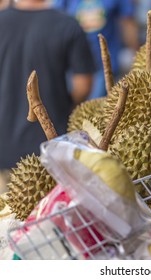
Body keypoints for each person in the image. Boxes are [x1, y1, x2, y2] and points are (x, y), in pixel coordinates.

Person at [0, 0, 95, 193]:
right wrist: (62, 102)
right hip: (50, 147)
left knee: (6, 218)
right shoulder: (68, 24)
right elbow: (83, 84)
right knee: (48, 218)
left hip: (3, 147)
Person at [53, 0, 139, 99]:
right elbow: (56, 20)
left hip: (104, 67)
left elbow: (128, 23)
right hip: (74, 67)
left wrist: (137, 55)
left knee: (98, 108)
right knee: (73, 106)